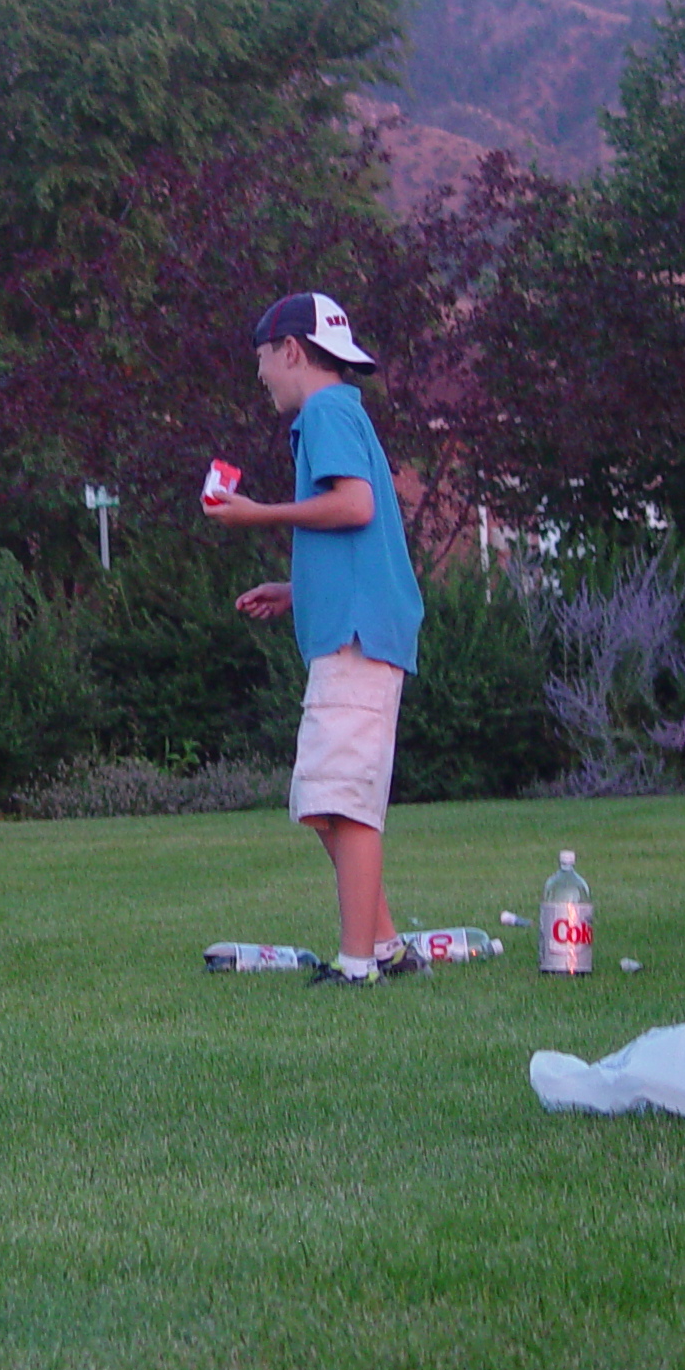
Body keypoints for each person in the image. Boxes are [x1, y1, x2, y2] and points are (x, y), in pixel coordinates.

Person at [203, 293, 426, 985]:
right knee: (327, 799)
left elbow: (354, 504)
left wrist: (256, 514)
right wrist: (298, 587)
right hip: (356, 623)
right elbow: (369, 537)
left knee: (342, 803)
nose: (261, 375)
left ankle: (357, 964)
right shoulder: (342, 413)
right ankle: (385, 945)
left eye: (262, 361)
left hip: (356, 640)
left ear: (291, 350)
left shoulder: (326, 411)